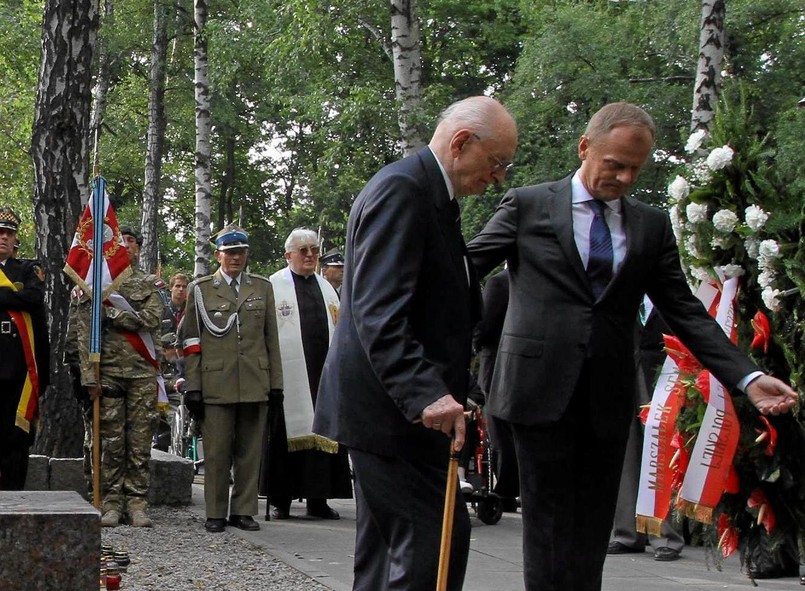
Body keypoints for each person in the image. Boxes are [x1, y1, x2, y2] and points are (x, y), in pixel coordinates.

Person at [467, 101, 799, 591]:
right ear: (585, 148)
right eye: (614, 165)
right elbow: (465, 268)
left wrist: (746, 376)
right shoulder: (528, 204)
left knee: (592, 527)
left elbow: (685, 311)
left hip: (607, 396)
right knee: (548, 525)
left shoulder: (650, 225)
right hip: (536, 392)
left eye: (634, 170)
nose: (623, 178)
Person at [313, 96, 518, 591]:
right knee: (433, 543)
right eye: (496, 163)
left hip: (394, 415)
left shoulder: (429, 194)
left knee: (390, 554)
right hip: (391, 416)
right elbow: (378, 309)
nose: (498, 178)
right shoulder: (404, 190)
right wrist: (425, 392)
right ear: (462, 142)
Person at [180, 224, 283, 533]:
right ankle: (215, 511)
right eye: (230, 253)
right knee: (216, 451)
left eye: (241, 253)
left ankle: (243, 511)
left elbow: (271, 340)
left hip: (255, 380)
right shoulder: (200, 290)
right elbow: (190, 342)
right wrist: (193, 386)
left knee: (250, 452)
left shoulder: (262, 287)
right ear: (218, 255)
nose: (236, 258)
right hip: (216, 383)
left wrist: (276, 384)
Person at [259, 228, 352, 520]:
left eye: (314, 249)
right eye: (304, 250)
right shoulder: (274, 286)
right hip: (289, 376)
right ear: (289, 255)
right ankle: (281, 500)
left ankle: (318, 498)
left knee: (324, 433)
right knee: (285, 436)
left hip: (323, 374)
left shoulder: (328, 288)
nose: (310, 255)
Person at [75, 225, 163, 527]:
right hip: (107, 373)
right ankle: (110, 501)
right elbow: (84, 332)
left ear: (137, 248)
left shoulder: (147, 283)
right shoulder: (96, 285)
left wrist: (111, 313)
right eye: (119, 241)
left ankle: (137, 502)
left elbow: (151, 320)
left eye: (130, 241)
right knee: (110, 441)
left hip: (141, 373)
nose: (125, 245)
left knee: (139, 441)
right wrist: (89, 376)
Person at [608, 298, 684, 561]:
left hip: (664, 374)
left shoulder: (671, 279)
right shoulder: (620, 276)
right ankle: (627, 532)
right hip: (621, 370)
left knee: (661, 451)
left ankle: (665, 535)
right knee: (625, 452)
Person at [0, 206, 49, 490]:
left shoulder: (28, 268)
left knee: (17, 434)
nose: (3, 238)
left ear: (16, 239)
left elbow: (33, 298)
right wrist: (12, 296)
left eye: (8, 233)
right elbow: (21, 298)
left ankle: (14, 494)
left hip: (20, 365)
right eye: (0, 233)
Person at [473, 266, 519, 511]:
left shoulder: (500, 282)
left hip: (495, 361)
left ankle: (506, 488)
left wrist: (473, 344)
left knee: (499, 429)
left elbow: (486, 325)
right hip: (522, 366)